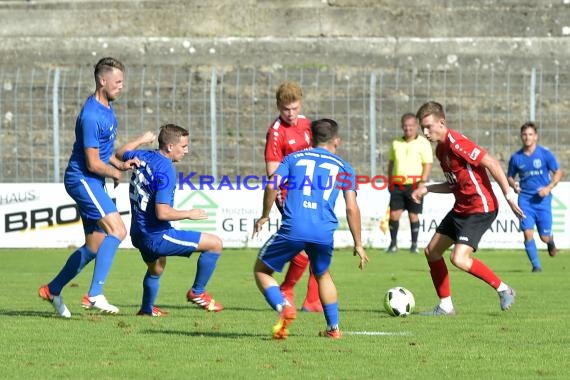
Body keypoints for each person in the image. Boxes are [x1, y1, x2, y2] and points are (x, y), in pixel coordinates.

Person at [39, 57, 141, 317]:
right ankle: (95, 294)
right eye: (117, 82)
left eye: (122, 82)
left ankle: (53, 289)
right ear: (102, 80)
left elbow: (104, 154)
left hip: (92, 179)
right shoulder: (91, 115)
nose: (121, 86)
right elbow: (93, 163)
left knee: (94, 246)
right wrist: (116, 170)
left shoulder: (107, 108)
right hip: (81, 179)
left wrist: (120, 163)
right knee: (118, 230)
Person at [253, 118, 369, 339]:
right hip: (323, 232)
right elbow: (352, 208)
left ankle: (283, 306)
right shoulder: (344, 167)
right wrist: (359, 244)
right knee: (322, 274)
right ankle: (333, 329)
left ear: (310, 138)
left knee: (261, 270)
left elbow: (272, 184)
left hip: (294, 228)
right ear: (337, 140)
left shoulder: (293, 158)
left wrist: (265, 216)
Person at [411, 101, 525, 316]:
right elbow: (453, 185)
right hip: (461, 208)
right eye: (422, 128)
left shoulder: (456, 142)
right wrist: (428, 188)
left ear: (442, 122)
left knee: (459, 258)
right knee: (432, 252)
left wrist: (509, 195)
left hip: (480, 207)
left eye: (428, 126)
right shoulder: (441, 150)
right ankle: (445, 306)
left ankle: (504, 289)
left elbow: (491, 163)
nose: (425, 132)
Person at [116, 123, 224, 316]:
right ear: (170, 147)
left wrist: (141, 139)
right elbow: (162, 213)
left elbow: (120, 153)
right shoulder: (166, 169)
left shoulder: (144, 155)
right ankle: (197, 292)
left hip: (138, 233)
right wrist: (189, 213)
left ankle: (146, 310)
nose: (187, 150)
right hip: (156, 235)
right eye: (183, 146)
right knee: (215, 244)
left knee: (156, 269)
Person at [264, 81, 322, 312]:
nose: (291, 113)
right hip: (287, 193)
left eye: (295, 108)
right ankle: (287, 289)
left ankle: (311, 300)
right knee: (307, 245)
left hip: (310, 191)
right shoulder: (276, 133)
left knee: (316, 244)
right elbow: (272, 173)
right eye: (286, 109)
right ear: (278, 106)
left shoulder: (308, 125)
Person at [507, 122, 562, 272]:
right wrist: (514, 185)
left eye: (530, 134)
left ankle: (550, 241)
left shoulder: (544, 154)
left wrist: (548, 187)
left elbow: (558, 172)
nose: (527, 137)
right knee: (527, 232)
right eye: (524, 134)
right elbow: (510, 176)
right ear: (521, 136)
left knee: (544, 237)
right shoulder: (516, 157)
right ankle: (536, 266)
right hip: (525, 200)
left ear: (535, 136)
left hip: (543, 200)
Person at [385, 112, 433, 254]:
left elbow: (428, 164)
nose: (408, 129)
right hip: (398, 184)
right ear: (402, 127)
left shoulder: (423, 143)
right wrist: (390, 180)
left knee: (413, 215)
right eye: (405, 126)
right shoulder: (396, 142)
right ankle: (393, 245)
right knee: (394, 215)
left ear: (416, 126)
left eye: (411, 126)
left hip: (415, 184)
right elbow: (391, 163)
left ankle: (414, 245)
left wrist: (422, 182)